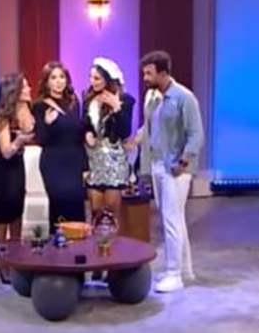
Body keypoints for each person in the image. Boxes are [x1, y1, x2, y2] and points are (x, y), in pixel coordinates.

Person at [132, 50, 203, 293]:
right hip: (157, 164)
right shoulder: (153, 97)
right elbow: (150, 126)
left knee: (171, 219)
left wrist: (182, 162)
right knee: (174, 218)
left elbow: (196, 134)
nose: (145, 78)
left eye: (149, 73)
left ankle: (174, 274)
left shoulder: (184, 97)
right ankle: (185, 270)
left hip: (176, 168)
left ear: (163, 73)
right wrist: (135, 140)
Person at [0, 73, 36, 284]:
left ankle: (16, 258)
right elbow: (5, 151)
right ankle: (2, 263)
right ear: (15, 92)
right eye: (25, 86)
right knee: (2, 214)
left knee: (16, 211)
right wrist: (20, 140)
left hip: (16, 163)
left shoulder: (27, 109)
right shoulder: (2, 117)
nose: (29, 89)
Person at [31, 61, 88, 231]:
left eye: (62, 77)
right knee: (59, 205)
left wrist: (85, 165)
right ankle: (57, 243)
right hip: (53, 164)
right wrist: (47, 123)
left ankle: (78, 244)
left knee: (76, 206)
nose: (58, 81)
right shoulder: (40, 105)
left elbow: (78, 135)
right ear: (46, 81)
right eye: (53, 78)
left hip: (74, 163)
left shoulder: (74, 102)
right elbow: (41, 139)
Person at [83, 57, 136, 221]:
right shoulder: (88, 99)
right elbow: (84, 124)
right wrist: (87, 133)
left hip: (114, 161)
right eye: (91, 78)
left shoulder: (125, 99)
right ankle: (96, 238)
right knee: (96, 211)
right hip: (94, 160)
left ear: (107, 79)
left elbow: (125, 132)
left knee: (111, 213)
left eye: (97, 78)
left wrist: (117, 107)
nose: (92, 82)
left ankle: (114, 239)